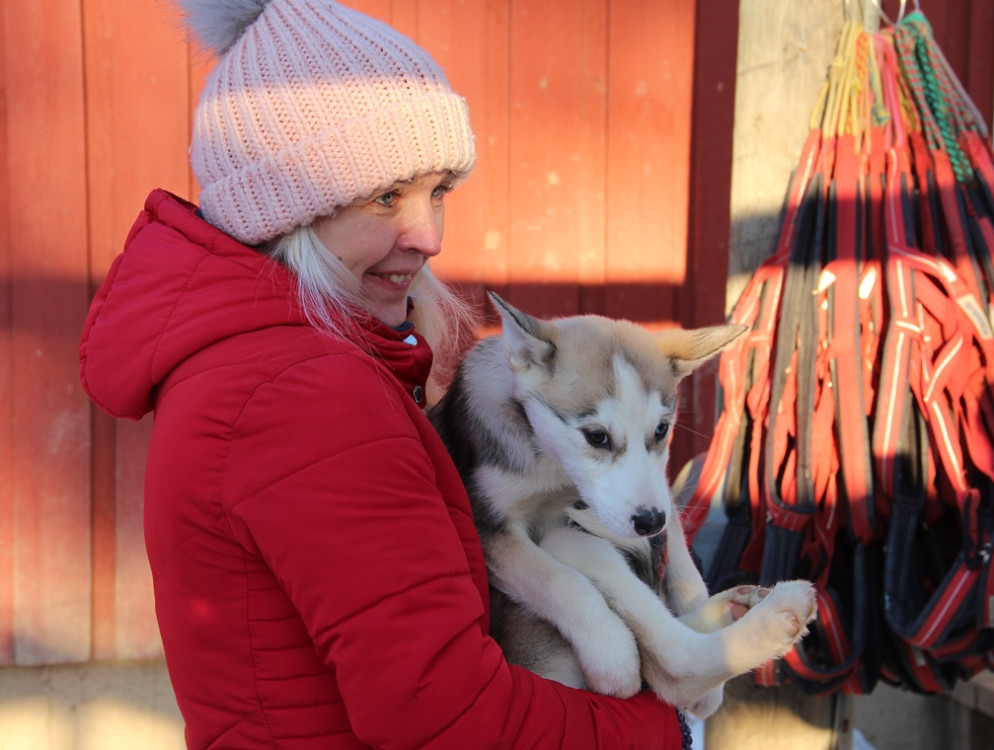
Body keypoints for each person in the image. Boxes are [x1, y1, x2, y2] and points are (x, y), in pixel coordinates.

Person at [79, 1, 688, 747]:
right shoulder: (301, 396)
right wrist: (663, 731)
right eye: (383, 197)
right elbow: (444, 712)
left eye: (439, 192)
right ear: (286, 213)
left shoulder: (252, 363)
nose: (428, 235)